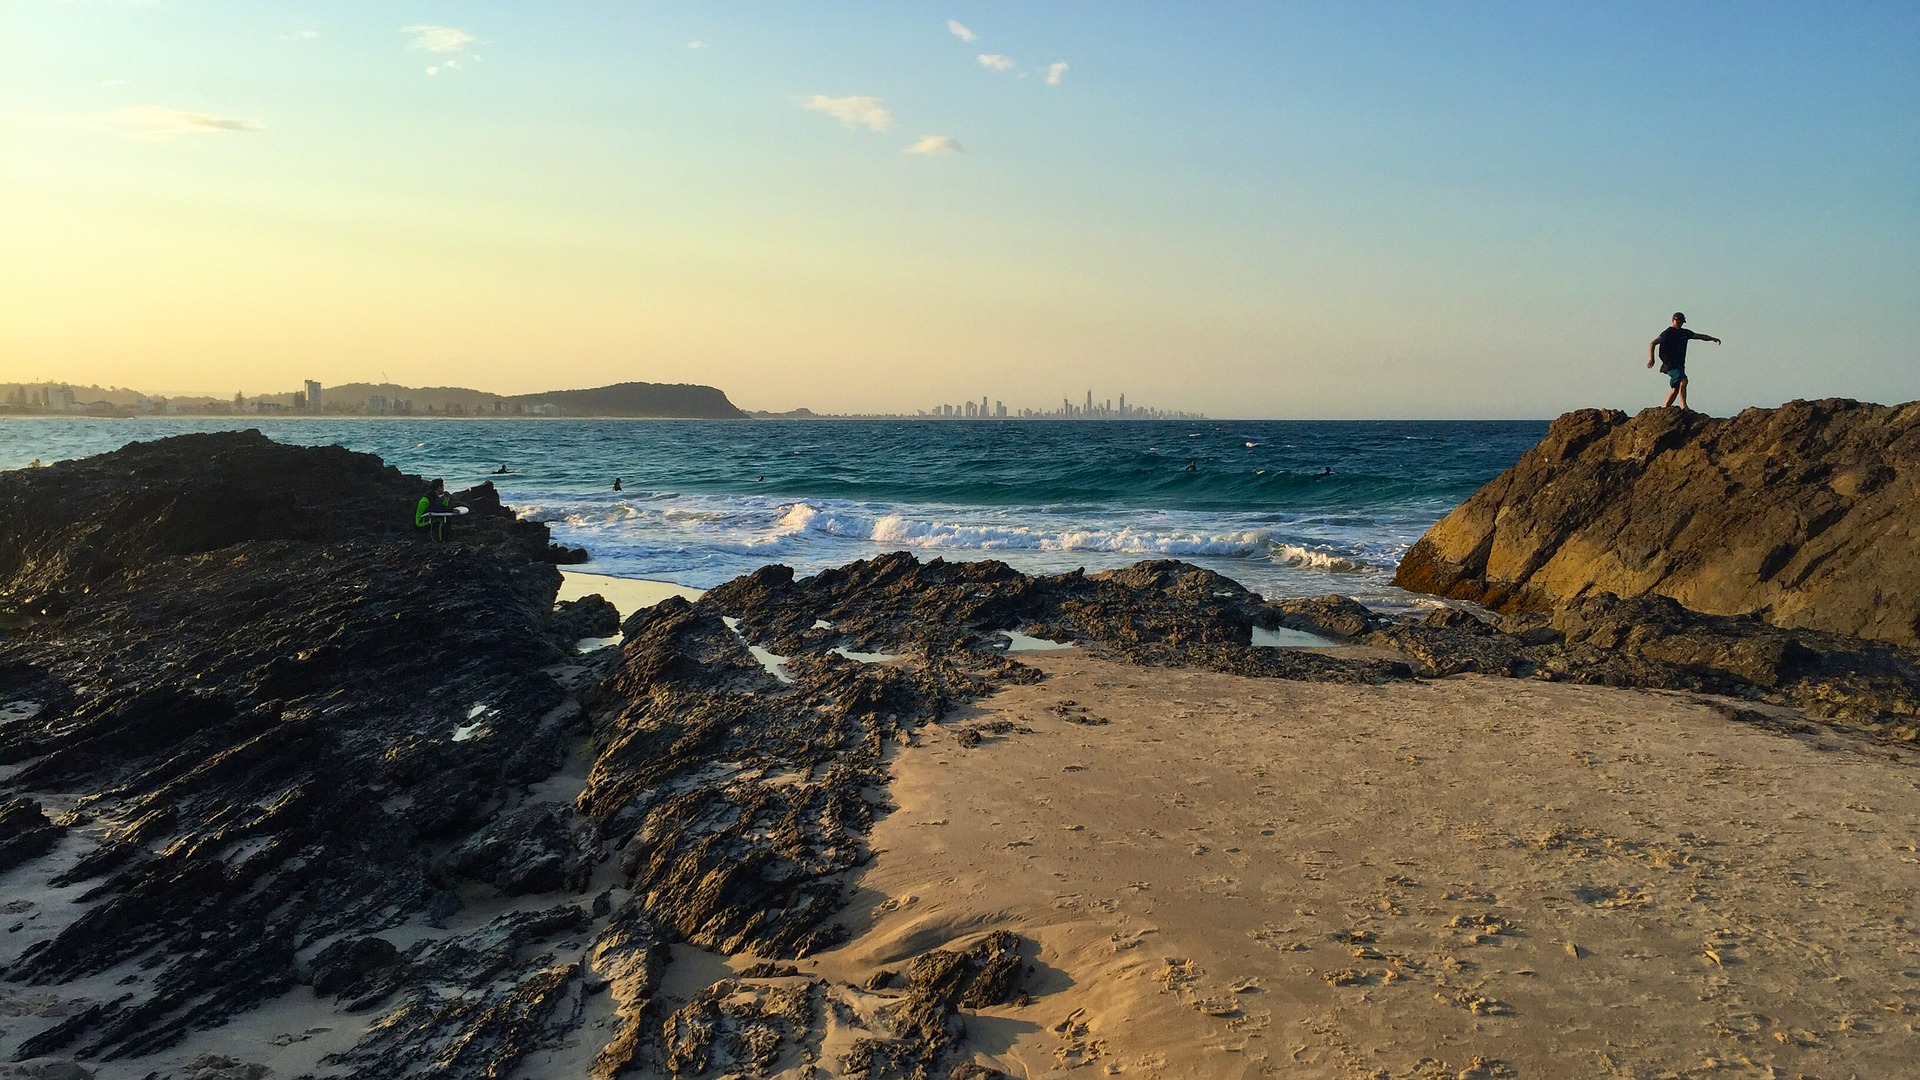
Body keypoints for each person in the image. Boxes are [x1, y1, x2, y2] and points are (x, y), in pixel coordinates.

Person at [1647, 312, 1722, 411]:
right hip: (1669, 363)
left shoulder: (1684, 333)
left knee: (1676, 388)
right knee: (1684, 380)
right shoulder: (1667, 333)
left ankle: (1665, 409)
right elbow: (1653, 343)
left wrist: (1712, 338)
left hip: (1679, 364)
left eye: (1681, 322)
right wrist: (1652, 359)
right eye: (1678, 321)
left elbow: (1699, 336)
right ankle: (1684, 407)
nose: (1680, 324)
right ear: (1673, 320)